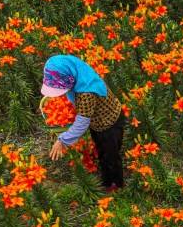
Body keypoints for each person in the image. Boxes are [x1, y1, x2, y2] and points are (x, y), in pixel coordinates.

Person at [41, 54, 126, 191]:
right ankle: (107, 179)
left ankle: (116, 185)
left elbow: (82, 123)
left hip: (109, 125)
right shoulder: (78, 70)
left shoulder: (86, 94)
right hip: (97, 122)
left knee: (111, 156)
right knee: (102, 151)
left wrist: (62, 141)